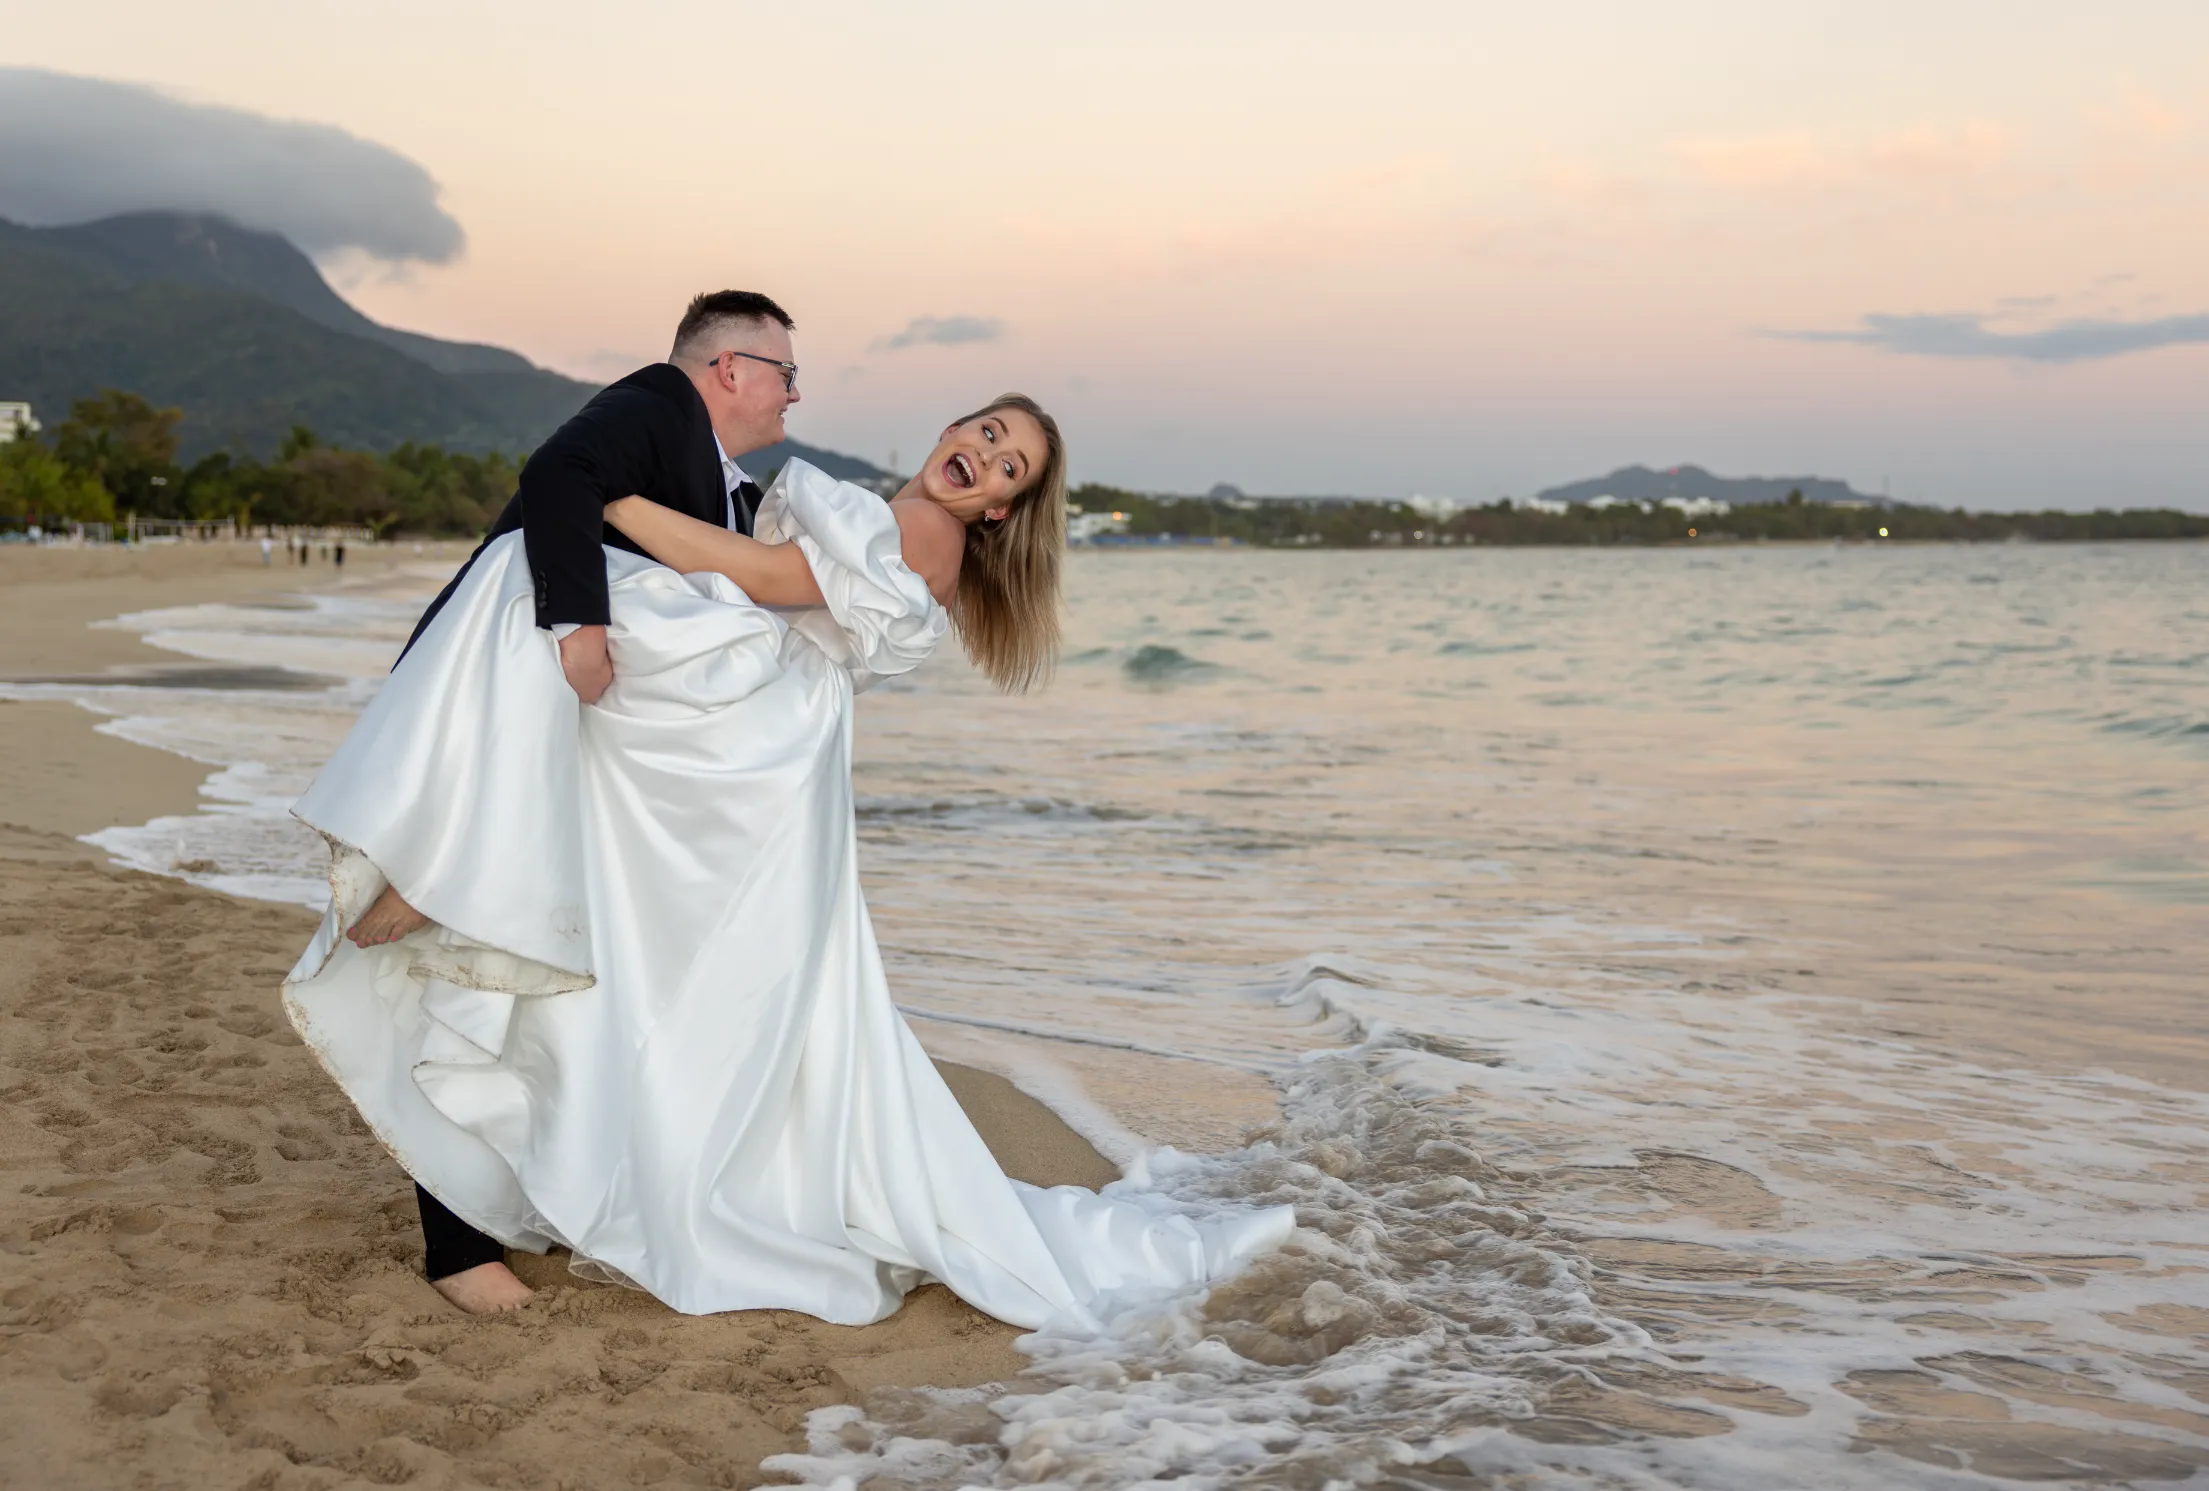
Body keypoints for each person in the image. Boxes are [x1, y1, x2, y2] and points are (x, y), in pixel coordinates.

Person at [282, 388, 1294, 1324]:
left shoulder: (922, 528)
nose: (985, 456)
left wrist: (604, 494)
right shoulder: (897, 518)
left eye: (1010, 466)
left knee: (520, 585)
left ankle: (447, 858)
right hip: (772, 732)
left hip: (749, 711)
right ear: (953, 430)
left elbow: (768, 578)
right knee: (652, 927)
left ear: (997, 510)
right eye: (986, 432)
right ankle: (460, 869)